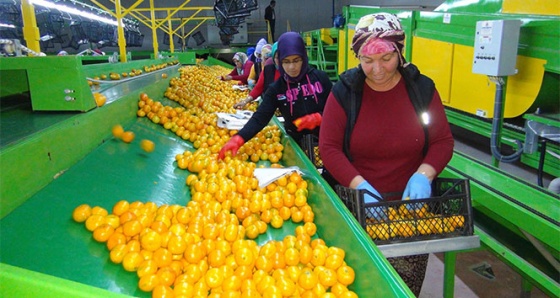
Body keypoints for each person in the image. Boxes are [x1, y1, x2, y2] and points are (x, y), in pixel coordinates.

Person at [318, 13, 454, 296]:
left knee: (403, 288)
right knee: (358, 284)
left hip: (411, 211)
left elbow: (441, 140)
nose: (377, 69)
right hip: (358, 210)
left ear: (400, 51)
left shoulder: (421, 89)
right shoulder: (346, 92)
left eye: (385, 59)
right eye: (367, 61)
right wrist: (360, 186)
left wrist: (424, 175)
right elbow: (329, 148)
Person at [219, 32, 333, 159]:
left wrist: (320, 117)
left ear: (304, 57)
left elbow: (338, 109)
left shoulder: (320, 78)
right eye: (286, 61)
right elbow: (260, 117)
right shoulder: (277, 88)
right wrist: (239, 138)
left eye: (296, 60)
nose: (291, 67)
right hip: (297, 144)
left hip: (325, 138)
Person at [234, 43, 279, 109]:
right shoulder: (268, 69)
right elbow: (258, 87)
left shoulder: (291, 71)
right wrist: (245, 101)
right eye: (277, 57)